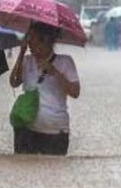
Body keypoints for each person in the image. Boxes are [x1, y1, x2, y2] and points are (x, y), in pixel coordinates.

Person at [9, 22, 81, 156]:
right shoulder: (27, 61)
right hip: (27, 128)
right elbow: (14, 82)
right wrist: (21, 53)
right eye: (28, 39)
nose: (30, 44)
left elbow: (75, 92)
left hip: (56, 131)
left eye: (33, 39)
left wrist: (55, 72)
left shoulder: (65, 62)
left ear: (47, 41)